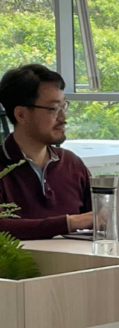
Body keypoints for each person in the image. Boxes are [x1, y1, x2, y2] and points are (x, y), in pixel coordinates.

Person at [0, 64, 92, 240]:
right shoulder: (2, 168)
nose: (63, 118)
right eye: (54, 109)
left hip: (79, 257)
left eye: (63, 107)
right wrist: (69, 223)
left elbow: (101, 217)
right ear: (21, 115)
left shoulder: (71, 163)